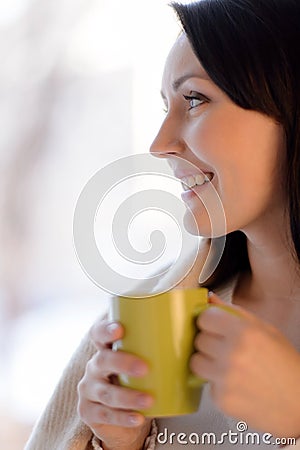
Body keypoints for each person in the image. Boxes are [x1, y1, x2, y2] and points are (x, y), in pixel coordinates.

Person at [25, 0, 300, 448]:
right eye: (164, 106)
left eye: (194, 99)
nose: (159, 144)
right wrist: (118, 442)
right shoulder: (152, 322)